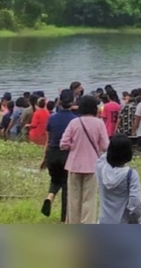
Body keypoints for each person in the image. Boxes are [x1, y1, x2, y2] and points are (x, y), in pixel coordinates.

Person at [60, 95, 110, 224]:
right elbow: (106, 146)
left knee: (73, 198)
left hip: (74, 164)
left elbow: (63, 144)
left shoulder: (74, 122)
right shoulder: (99, 123)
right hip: (92, 165)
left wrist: (74, 146)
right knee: (89, 199)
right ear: (94, 108)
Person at [40, 90, 76, 222]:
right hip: (66, 155)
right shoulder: (75, 119)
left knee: (55, 180)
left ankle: (50, 197)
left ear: (59, 102)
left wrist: (44, 159)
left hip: (52, 154)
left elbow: (48, 141)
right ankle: (64, 218)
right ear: (72, 102)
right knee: (66, 185)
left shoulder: (52, 118)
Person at [95, 135, 141, 224]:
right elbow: (135, 204)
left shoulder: (100, 168)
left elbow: (102, 157)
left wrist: (113, 145)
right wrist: (137, 221)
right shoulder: (131, 174)